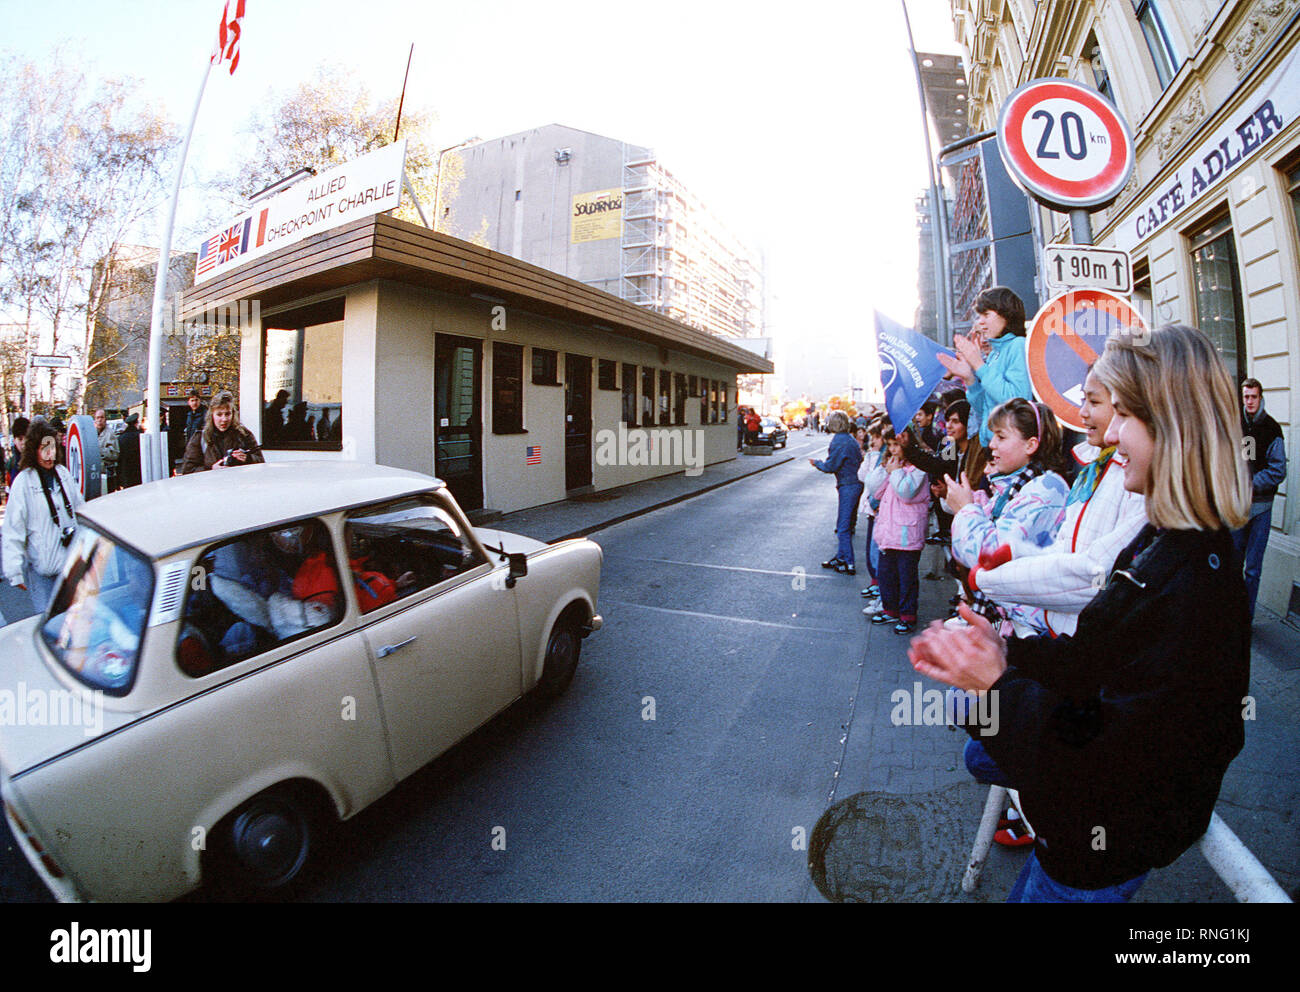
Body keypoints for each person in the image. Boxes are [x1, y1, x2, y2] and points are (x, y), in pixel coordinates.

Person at [909, 324, 1252, 903]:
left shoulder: (1192, 578)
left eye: (1125, 415)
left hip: (1095, 856)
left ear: (1172, 425)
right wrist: (1006, 654)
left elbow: (1103, 756)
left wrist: (997, 685)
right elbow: (1094, 660)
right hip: (1077, 844)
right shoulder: (1166, 543)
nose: (1111, 434)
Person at [972, 368, 1147, 639]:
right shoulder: (1092, 470)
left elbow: (1095, 577)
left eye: (1096, 402)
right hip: (1065, 634)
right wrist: (1017, 554)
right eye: (1082, 401)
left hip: (1091, 640)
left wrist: (990, 580)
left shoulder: (1135, 479)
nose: (1082, 413)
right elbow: (1067, 551)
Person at [944, 398, 1069, 636]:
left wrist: (966, 509)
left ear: (1030, 445)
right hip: (1010, 618)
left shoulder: (1046, 489)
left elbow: (990, 556)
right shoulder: (1015, 487)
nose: (991, 445)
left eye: (1001, 437)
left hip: (1026, 627)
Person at [2, 420, 84, 612]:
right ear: (33, 450)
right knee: (49, 625)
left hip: (70, 570)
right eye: (43, 449)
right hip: (43, 576)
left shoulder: (63, 474)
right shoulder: (24, 482)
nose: (49, 455)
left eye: (52, 448)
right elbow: (13, 528)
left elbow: (82, 511)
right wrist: (14, 571)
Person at [938, 286, 1033, 448]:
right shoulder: (995, 354)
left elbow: (1018, 400)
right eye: (979, 316)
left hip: (1012, 447)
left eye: (986, 315)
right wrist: (969, 378)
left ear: (1006, 315)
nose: (980, 321)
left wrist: (979, 365)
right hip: (992, 445)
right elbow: (985, 410)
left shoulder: (1017, 345)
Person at [865, 426, 930, 633]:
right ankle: (890, 609)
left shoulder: (918, 468)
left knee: (906, 577)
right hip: (889, 532)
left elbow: (906, 492)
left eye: (897, 445)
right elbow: (878, 491)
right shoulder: (894, 466)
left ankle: (908, 614)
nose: (893, 450)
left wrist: (896, 472)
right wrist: (885, 471)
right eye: (890, 445)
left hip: (907, 534)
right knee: (887, 574)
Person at [1235, 377, 1287, 622]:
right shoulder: (1235, 424)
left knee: (1252, 569)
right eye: (1246, 396)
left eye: (1253, 396)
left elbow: (1278, 470)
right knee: (1232, 565)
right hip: (1236, 508)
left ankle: (1246, 619)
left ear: (1260, 397)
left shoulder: (1272, 428)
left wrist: (1251, 483)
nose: (1250, 401)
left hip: (1261, 510)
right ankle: (1231, 618)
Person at [809, 410, 863, 575]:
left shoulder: (838, 441)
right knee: (847, 523)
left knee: (843, 527)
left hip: (847, 485)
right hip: (857, 483)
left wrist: (817, 463)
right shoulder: (851, 440)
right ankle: (840, 556)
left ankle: (848, 561)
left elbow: (831, 466)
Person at [181, 390, 264, 474]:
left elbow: (261, 463)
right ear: (212, 415)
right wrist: (210, 469)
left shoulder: (244, 434)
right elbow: (187, 471)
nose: (224, 419)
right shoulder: (200, 438)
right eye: (219, 414)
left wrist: (248, 458)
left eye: (227, 414)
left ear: (233, 414)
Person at [859, 422, 885, 614]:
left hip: (877, 509)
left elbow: (866, 477)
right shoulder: (876, 456)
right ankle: (878, 587)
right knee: (872, 551)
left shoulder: (878, 457)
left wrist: (870, 458)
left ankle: (882, 593)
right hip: (873, 508)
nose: (872, 441)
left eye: (875, 437)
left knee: (877, 552)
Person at [93, 409, 119, 495]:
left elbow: (115, 454)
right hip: (94, 474)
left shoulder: (110, 433)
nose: (99, 420)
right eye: (97, 418)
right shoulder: (92, 433)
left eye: (102, 417)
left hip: (108, 475)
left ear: (105, 419)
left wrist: (99, 450)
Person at [116, 413, 143, 489]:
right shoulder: (140, 436)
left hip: (126, 474)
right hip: (139, 473)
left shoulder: (121, 438)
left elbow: (119, 458)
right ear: (136, 423)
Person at [5, 416, 29, 490]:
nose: (23, 443)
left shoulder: (39, 462)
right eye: (20, 439)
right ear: (14, 441)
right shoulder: (11, 464)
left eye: (26, 438)